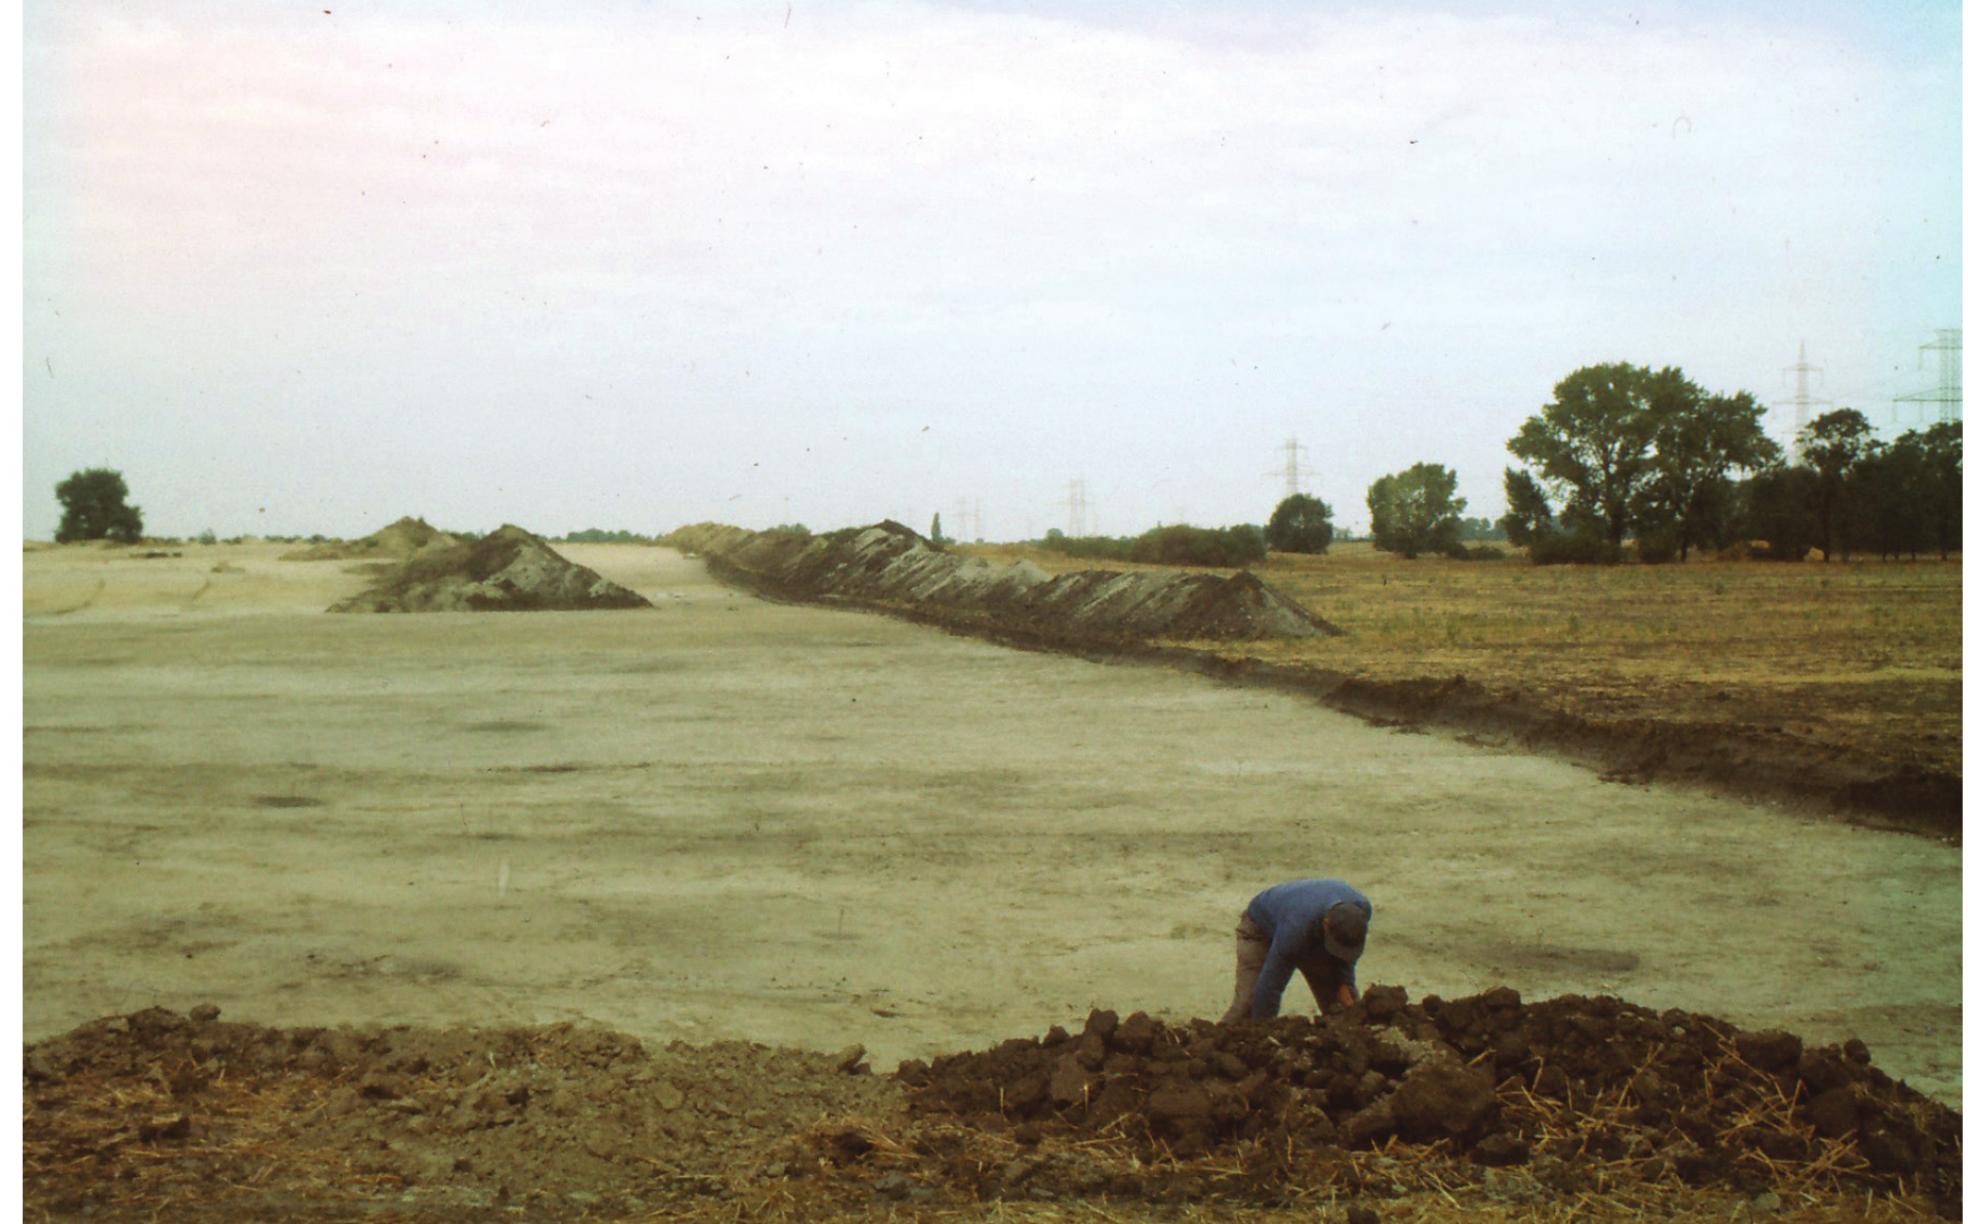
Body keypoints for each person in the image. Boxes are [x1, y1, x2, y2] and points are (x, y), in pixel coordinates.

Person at [1221, 878, 1372, 1022]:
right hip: (1259, 930)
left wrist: (1345, 982)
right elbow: (1270, 986)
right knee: (1249, 1003)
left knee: (1342, 1004)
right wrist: (1263, 1031)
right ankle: (1220, 1036)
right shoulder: (1295, 931)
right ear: (1326, 924)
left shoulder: (1361, 909)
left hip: (1308, 923)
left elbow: (1348, 948)